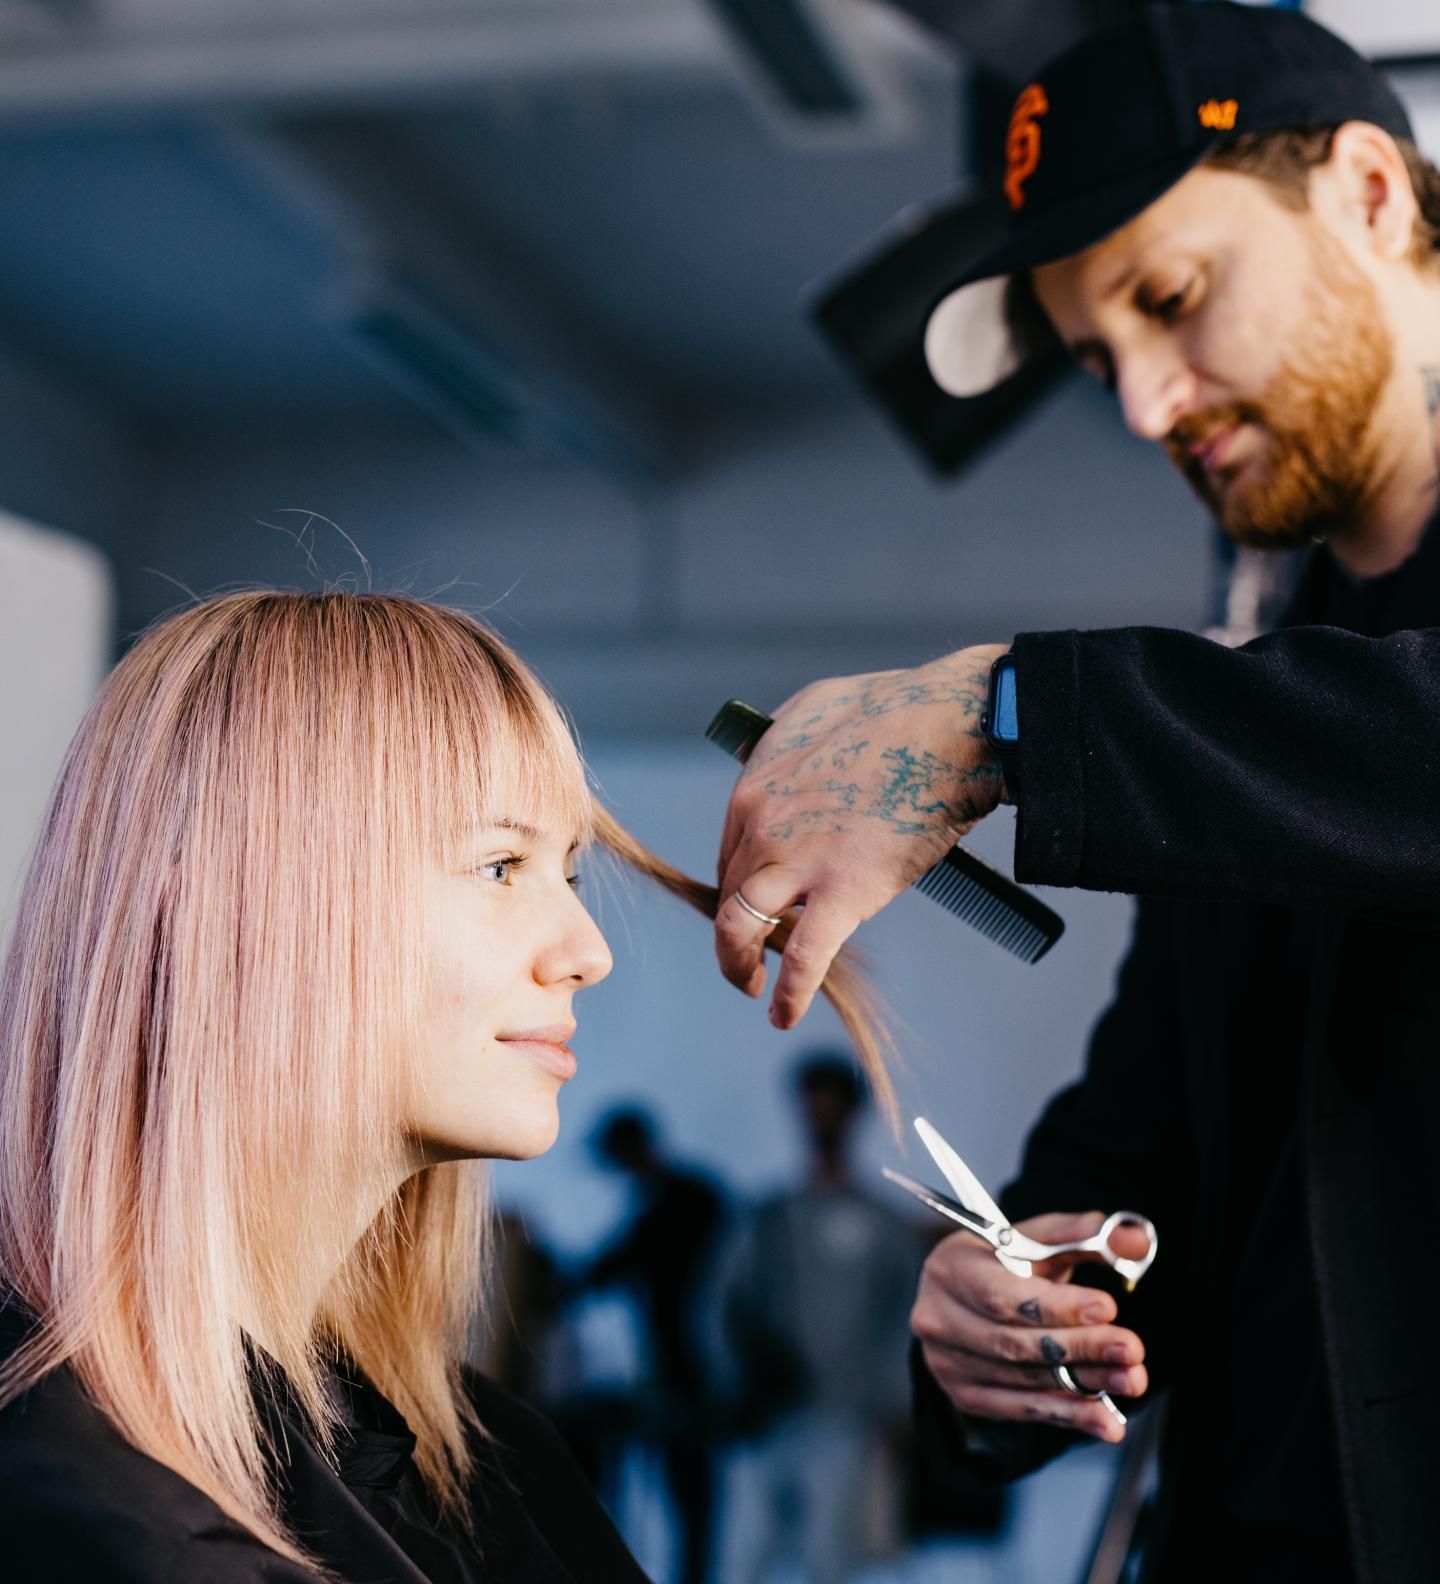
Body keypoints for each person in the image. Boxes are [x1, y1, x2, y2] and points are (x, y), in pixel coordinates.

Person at [707, 7, 1440, 1583]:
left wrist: (1002, 712)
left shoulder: (1248, 732)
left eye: (1170, 301)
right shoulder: (1258, 702)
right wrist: (1007, 1308)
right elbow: (1139, 1157)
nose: (1141, 406)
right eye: (1099, 354)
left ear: (1372, 193)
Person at [0, 590, 888, 1582]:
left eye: (570, 874)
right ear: (224, 896)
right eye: (500, 865)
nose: (588, 951)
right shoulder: (102, 1526)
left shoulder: (490, 1464)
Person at [722, 1054, 919, 1584]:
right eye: (813, 1109)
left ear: (853, 1116)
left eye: (832, 1109)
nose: (821, 1121)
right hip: (765, 1420)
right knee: (744, 1559)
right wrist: (733, 1383)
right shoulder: (766, 1216)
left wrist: (893, 1405)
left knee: (829, 1562)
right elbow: (722, 1308)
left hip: (845, 1422)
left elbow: (903, 1320)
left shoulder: (884, 1225)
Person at [579, 1108, 728, 1584]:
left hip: (692, 1374)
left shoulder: (677, 1205)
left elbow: (609, 1266)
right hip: (686, 1373)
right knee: (688, 1502)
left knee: (690, 1501)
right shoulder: (679, 1200)